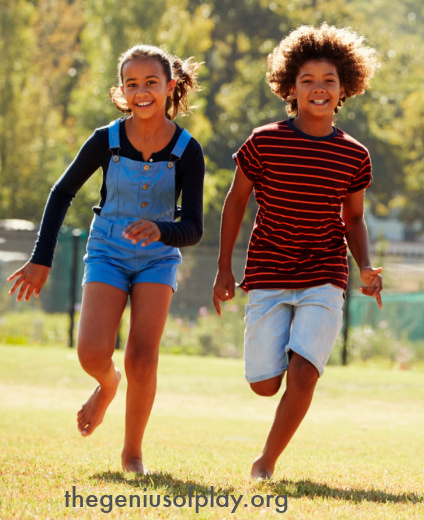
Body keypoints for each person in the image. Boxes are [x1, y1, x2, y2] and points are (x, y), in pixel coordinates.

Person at [7, 45, 203, 474]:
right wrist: (42, 258)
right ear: (121, 92)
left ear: (170, 87)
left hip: (157, 258)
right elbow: (61, 193)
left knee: (143, 356)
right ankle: (107, 384)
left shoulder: (188, 150)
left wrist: (160, 230)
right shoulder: (105, 141)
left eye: (151, 82)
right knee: (92, 354)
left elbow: (193, 227)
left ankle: (132, 452)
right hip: (107, 251)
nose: (142, 92)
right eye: (132, 84)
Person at [211, 24, 383, 480]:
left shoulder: (355, 156)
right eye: (307, 80)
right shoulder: (264, 141)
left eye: (328, 80)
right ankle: (291, 350)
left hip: (325, 274)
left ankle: (265, 462)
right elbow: (235, 201)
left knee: (305, 373)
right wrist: (224, 267)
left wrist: (365, 266)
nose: (319, 89)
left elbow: (355, 219)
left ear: (344, 87)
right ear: (290, 87)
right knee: (266, 385)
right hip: (267, 272)